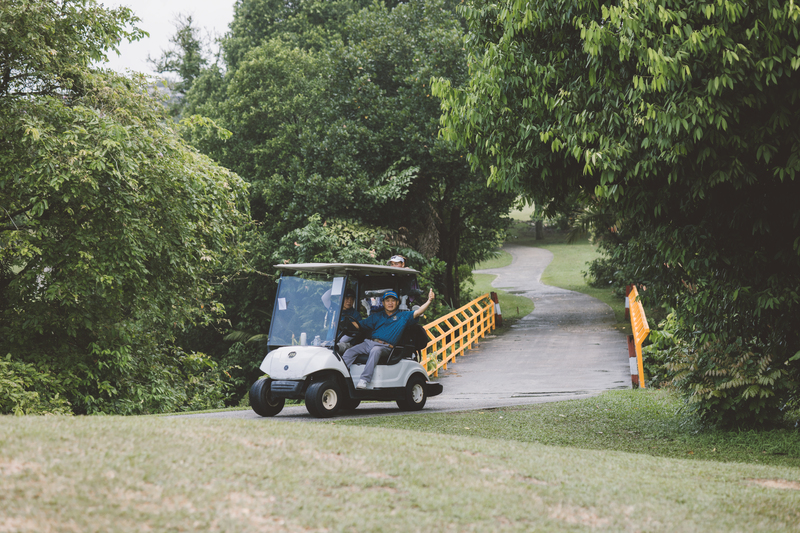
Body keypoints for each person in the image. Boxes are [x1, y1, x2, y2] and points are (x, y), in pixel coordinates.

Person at [343, 288, 435, 389]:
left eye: (393, 300)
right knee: (350, 351)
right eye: (387, 300)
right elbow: (359, 325)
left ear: (397, 302)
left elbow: (418, 312)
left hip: (385, 346)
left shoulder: (403, 316)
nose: (390, 303)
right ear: (383, 303)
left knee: (375, 350)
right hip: (369, 343)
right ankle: (341, 376)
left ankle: (364, 380)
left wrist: (429, 301)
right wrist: (342, 324)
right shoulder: (377, 316)